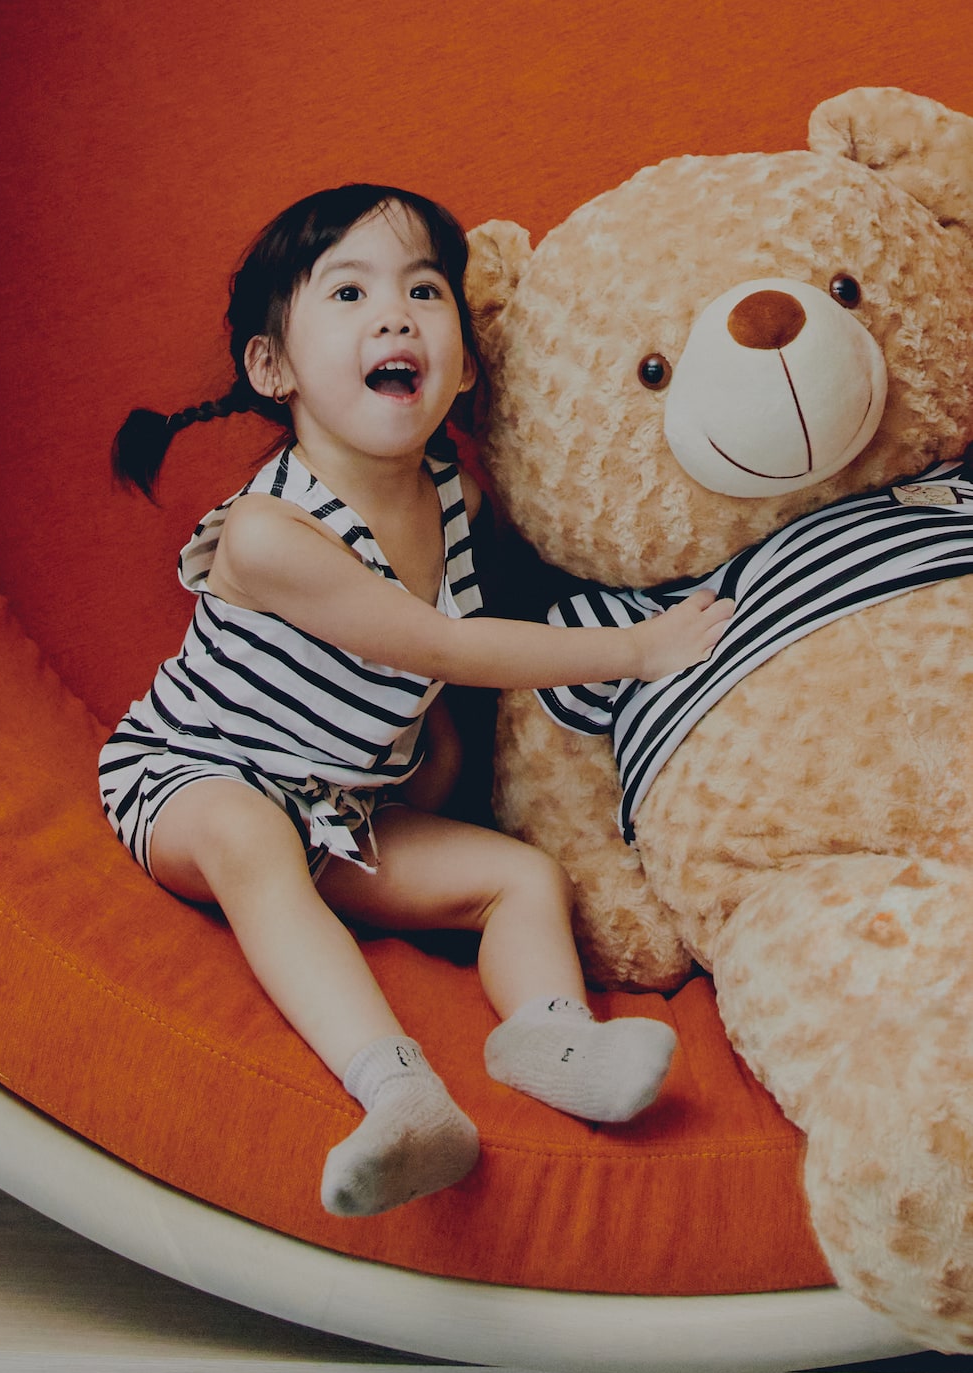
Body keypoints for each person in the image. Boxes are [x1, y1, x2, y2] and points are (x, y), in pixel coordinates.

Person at [100, 185, 732, 1219]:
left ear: (466, 362)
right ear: (275, 368)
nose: (393, 314)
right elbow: (444, 642)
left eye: (424, 290)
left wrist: (430, 756)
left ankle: (550, 1033)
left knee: (521, 876)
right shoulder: (269, 535)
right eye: (348, 292)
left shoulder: (453, 490)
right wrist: (643, 645)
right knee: (249, 832)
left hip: (342, 810)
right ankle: (397, 1090)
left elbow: (429, 671)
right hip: (193, 774)